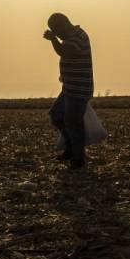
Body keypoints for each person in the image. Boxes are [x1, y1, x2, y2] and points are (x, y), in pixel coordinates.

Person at [44, 13, 94, 168]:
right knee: (56, 116)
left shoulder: (78, 37)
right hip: (70, 88)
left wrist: (53, 39)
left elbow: (65, 52)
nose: (57, 34)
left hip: (78, 89)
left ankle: (78, 158)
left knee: (74, 122)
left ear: (63, 25)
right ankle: (71, 148)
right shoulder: (71, 36)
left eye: (56, 30)